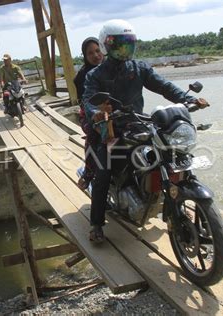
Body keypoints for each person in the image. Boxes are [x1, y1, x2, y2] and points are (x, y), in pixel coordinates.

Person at [83, 20, 209, 243]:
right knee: (103, 172)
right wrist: (96, 112)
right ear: (106, 46)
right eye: (118, 45)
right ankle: (96, 224)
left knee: (171, 155)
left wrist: (189, 99)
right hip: (111, 129)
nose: (124, 50)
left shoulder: (139, 68)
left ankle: (175, 198)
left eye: (128, 44)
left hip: (139, 124)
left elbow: (164, 87)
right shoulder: (95, 75)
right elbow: (88, 100)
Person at [73, 37, 104, 190]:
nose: (96, 55)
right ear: (85, 56)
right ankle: (88, 172)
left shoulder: (111, 68)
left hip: (115, 111)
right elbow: (84, 102)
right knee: (94, 133)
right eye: (90, 53)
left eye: (98, 51)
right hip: (89, 113)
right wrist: (94, 113)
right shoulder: (82, 76)